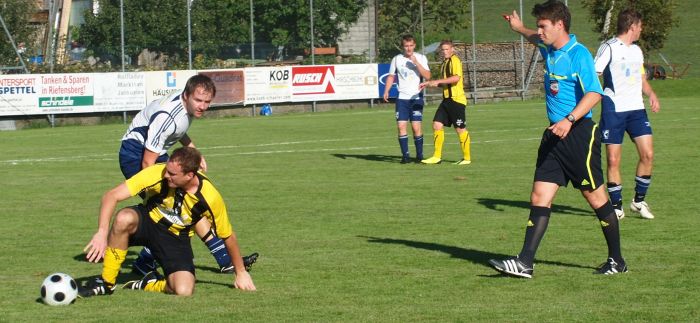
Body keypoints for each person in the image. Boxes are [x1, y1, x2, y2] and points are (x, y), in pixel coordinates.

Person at [489, 0, 627, 278]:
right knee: (540, 195)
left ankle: (617, 261)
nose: (539, 31)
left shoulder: (579, 55)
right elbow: (532, 36)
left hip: (578, 135)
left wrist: (569, 120)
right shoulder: (547, 46)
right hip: (554, 134)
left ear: (560, 25)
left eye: (543, 26)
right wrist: (518, 28)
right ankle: (525, 261)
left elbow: (594, 94)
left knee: (596, 197)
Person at [119, 74, 256, 275]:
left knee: (189, 205)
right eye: (198, 100)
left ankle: (225, 260)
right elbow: (147, 161)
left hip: (154, 153)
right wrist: (153, 196)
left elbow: (178, 130)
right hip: (135, 155)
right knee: (173, 211)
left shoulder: (184, 109)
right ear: (186, 95)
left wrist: (193, 152)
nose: (202, 106)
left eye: (207, 102)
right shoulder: (167, 117)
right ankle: (144, 263)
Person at [79, 147, 256, 297]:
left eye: (172, 174)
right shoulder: (157, 172)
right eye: (167, 170)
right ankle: (107, 283)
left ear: (189, 175)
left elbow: (228, 236)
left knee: (184, 290)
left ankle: (147, 283)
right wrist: (102, 232)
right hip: (148, 221)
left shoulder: (210, 197)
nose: (166, 175)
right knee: (123, 218)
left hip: (176, 237)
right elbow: (111, 196)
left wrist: (240, 273)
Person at [594, 9, 660, 220]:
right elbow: (594, 75)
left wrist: (651, 94)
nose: (641, 30)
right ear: (632, 26)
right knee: (613, 160)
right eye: (640, 26)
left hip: (637, 110)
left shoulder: (637, 51)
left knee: (648, 155)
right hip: (614, 109)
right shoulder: (609, 48)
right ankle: (616, 206)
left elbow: (642, 80)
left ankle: (638, 202)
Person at [419, 40, 472, 165]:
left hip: (456, 100)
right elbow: (444, 82)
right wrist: (430, 83)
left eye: (447, 49)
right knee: (437, 124)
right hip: (447, 100)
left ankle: (467, 158)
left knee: (460, 129)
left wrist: (437, 81)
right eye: (443, 50)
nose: (445, 52)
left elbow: (456, 78)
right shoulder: (444, 63)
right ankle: (437, 157)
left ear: (452, 49)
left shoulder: (455, 61)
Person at [383, 34, 432, 164]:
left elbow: (428, 76)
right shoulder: (397, 59)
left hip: (416, 98)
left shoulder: (421, 57)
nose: (409, 48)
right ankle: (405, 156)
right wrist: (386, 90)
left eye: (411, 46)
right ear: (402, 46)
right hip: (402, 99)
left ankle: (420, 156)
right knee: (401, 126)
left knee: (416, 128)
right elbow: (390, 76)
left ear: (414, 45)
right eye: (406, 46)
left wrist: (416, 63)